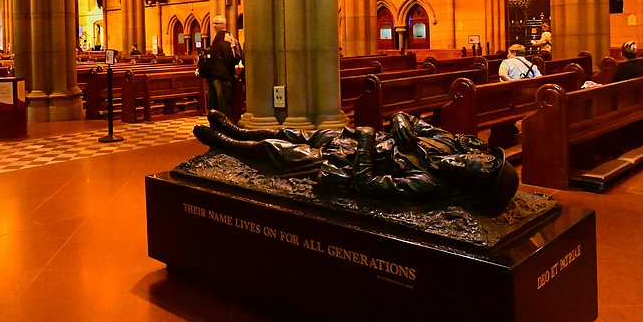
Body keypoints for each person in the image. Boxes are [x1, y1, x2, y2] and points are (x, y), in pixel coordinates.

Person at [192, 110, 519, 214]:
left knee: (275, 150)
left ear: (469, 183)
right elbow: (407, 119)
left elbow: (367, 184)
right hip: (352, 138)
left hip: (341, 162)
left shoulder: (429, 183)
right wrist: (402, 123)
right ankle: (240, 130)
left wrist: (364, 144)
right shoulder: (444, 141)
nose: (464, 163)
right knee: (293, 131)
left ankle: (227, 144)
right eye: (473, 159)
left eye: (470, 170)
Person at [203, 15, 242, 119]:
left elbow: (229, 56)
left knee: (223, 104)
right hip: (214, 75)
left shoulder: (226, 36)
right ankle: (215, 127)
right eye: (213, 23)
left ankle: (225, 127)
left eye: (217, 23)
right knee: (214, 104)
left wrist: (230, 72)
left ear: (223, 24)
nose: (214, 25)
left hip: (221, 75)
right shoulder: (218, 36)